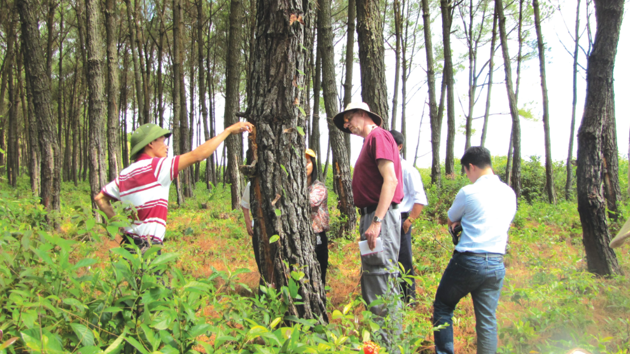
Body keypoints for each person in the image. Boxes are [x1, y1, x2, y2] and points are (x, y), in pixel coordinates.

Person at [94, 121, 253, 252]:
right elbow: (199, 155)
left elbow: (100, 198)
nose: (166, 146)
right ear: (150, 143)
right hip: (147, 248)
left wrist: (120, 226)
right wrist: (228, 131)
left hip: (128, 248)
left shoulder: (125, 174)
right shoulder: (156, 167)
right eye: (162, 141)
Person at [432, 146, 516, 354]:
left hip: (469, 261)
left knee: (443, 306)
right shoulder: (508, 192)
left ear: (471, 167)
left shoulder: (469, 192)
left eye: (467, 172)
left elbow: (451, 218)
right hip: (496, 262)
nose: (468, 176)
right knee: (487, 321)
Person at [333, 102, 404, 346]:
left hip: (378, 217)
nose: (347, 125)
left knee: (381, 278)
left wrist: (376, 222)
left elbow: (391, 180)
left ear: (363, 115)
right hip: (371, 216)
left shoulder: (378, 137)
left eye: (349, 118)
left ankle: (389, 346)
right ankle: (382, 344)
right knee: (374, 279)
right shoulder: (369, 142)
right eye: (344, 122)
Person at [389, 130, 428, 303]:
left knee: (404, 259)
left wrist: (409, 221)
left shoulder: (408, 170)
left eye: (391, 144)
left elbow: (419, 198)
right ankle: (391, 296)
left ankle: (408, 299)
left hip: (402, 217)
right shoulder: (384, 167)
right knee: (388, 257)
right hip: (386, 217)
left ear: (399, 146)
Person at [305, 148, 330, 286]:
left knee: (319, 275)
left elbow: (310, 202)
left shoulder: (319, 188)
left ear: (313, 164)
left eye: (307, 162)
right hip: (301, 236)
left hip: (317, 236)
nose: (304, 165)